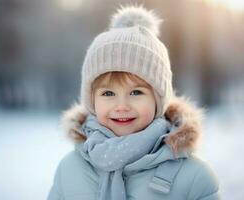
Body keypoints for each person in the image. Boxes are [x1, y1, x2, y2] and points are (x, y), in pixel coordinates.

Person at [48, 5, 220, 200]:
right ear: (92, 101)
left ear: (158, 100)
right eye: (108, 93)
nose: (121, 106)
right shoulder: (70, 170)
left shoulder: (194, 177)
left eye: (136, 92)